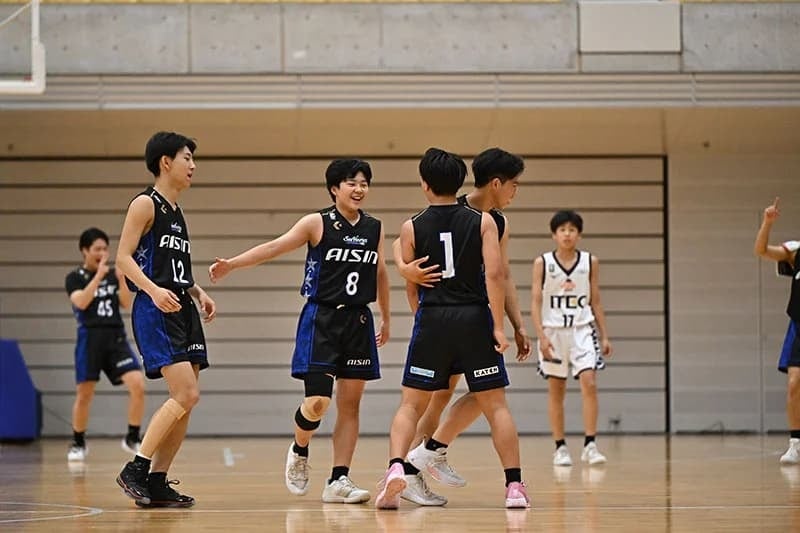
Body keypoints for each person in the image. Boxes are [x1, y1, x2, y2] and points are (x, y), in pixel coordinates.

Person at [209, 159, 390, 504]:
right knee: (318, 402)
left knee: (350, 405)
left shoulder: (375, 228)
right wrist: (233, 263)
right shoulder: (316, 223)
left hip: (358, 321)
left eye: (364, 183)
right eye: (351, 182)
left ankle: (339, 480)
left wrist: (386, 315)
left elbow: (380, 270)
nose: (359, 189)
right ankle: (299, 448)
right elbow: (274, 247)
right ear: (335, 188)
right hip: (321, 318)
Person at [376, 147, 530, 510]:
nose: (516, 193)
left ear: (426, 185)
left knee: (417, 401)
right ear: (496, 182)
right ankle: (510, 484)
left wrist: (518, 324)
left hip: (435, 319)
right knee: (479, 400)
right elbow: (494, 275)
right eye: (515, 185)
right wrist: (497, 325)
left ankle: (414, 458)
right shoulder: (479, 219)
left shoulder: (427, 220)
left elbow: (501, 276)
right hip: (474, 317)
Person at [115, 131, 217, 508]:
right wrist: (154, 291)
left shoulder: (176, 212)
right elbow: (123, 259)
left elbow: (175, 269)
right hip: (155, 307)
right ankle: (136, 469)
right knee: (185, 393)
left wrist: (197, 291)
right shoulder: (145, 204)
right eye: (187, 157)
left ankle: (157, 480)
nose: (193, 165)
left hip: (180, 306)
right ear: (165, 162)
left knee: (189, 398)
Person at [531, 209, 612, 467]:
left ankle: (590, 444)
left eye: (572, 230)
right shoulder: (542, 263)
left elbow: (595, 300)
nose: (567, 234)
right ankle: (560, 447)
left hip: (582, 330)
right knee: (557, 389)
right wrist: (541, 336)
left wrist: (605, 334)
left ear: (579, 234)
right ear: (554, 234)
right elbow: (535, 302)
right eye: (562, 230)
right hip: (553, 332)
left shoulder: (590, 262)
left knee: (589, 382)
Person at [65, 227, 145, 462]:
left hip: (115, 337)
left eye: (104, 248)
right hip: (90, 338)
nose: (102, 253)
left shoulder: (112, 275)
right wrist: (98, 276)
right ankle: (78, 442)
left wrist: (120, 278)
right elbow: (80, 302)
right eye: (96, 249)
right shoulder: (75, 277)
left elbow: (126, 303)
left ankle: (132, 436)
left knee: (138, 384)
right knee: (84, 394)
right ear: (85, 251)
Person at [754, 197, 800, 464]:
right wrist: (767, 223)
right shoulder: (795, 251)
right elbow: (761, 250)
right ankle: (796, 443)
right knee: (794, 384)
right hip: (799, 326)